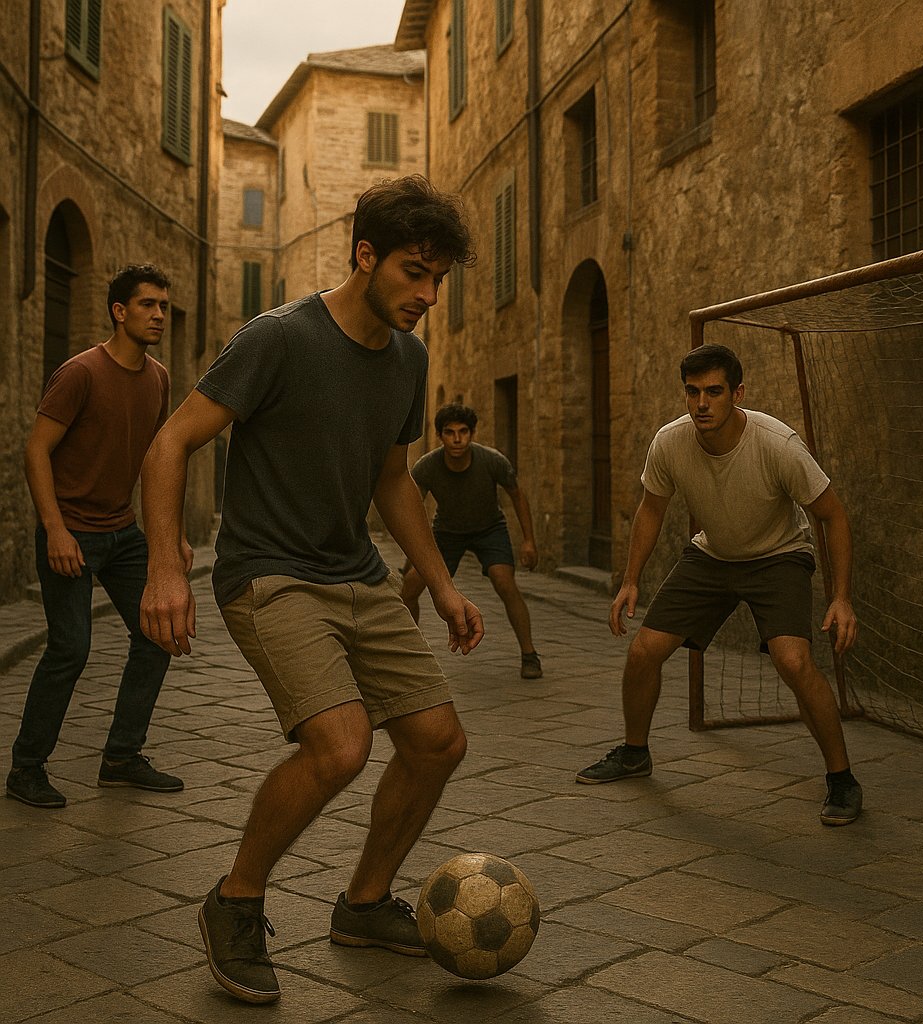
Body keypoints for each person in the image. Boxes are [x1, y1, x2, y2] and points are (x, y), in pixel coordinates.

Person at [139, 175, 483, 1006]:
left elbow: (393, 479)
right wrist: (163, 567)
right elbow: (169, 443)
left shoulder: (408, 357)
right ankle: (236, 900)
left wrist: (437, 584)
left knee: (439, 742)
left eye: (438, 279)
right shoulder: (279, 339)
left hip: (356, 575)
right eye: (413, 272)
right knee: (341, 744)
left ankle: (364, 903)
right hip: (269, 573)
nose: (427, 295)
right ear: (365, 256)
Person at [576, 343, 863, 827]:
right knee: (643, 651)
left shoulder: (777, 444)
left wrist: (841, 597)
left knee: (794, 661)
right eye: (692, 392)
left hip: (779, 555)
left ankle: (842, 779)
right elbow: (651, 509)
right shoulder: (670, 442)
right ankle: (634, 753)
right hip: (712, 555)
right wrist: (630, 580)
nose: (702, 403)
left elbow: (832, 514)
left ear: (737, 393)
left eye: (713, 391)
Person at [6, 264, 187, 810]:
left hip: (122, 530)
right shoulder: (80, 373)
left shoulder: (158, 378)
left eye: (162, 306)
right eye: (147, 305)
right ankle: (26, 768)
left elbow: (159, 461)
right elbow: (36, 450)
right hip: (70, 533)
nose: (158, 315)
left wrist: (170, 538)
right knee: (71, 648)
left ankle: (121, 758)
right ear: (119, 311)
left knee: (157, 636)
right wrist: (55, 530)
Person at [401, 403, 543, 679]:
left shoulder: (492, 461)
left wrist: (529, 540)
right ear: (440, 436)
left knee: (503, 580)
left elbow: (517, 495)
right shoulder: (427, 466)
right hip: (447, 532)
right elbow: (409, 506)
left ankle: (529, 653)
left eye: (463, 432)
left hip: (489, 528)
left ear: (472, 433)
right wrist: (413, 550)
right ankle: (409, 656)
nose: (457, 439)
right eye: (450, 433)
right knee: (410, 584)